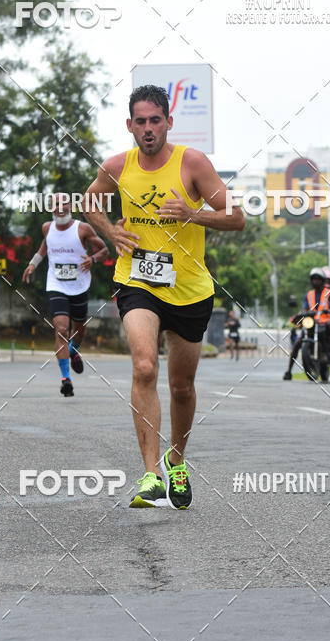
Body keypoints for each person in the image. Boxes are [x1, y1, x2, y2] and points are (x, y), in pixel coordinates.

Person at [82, 84, 245, 509]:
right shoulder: (117, 165)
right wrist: (109, 230)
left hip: (189, 288)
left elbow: (237, 218)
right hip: (137, 281)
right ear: (130, 125)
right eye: (141, 121)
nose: (149, 128)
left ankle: (176, 462)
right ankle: (151, 474)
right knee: (143, 366)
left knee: (183, 387)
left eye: (156, 120)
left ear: (169, 122)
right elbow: (90, 201)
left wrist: (193, 214)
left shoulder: (192, 163)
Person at [23, 196, 108, 397]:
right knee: (61, 329)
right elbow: (46, 246)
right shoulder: (47, 227)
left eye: (64, 205)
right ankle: (65, 379)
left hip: (79, 286)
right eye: (56, 205)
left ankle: (72, 351)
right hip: (56, 285)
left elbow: (104, 249)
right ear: (51, 208)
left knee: (80, 331)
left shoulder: (83, 229)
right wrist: (33, 263)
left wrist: (93, 259)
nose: (60, 209)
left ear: (70, 207)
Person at [303, 267, 330, 363]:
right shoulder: (309, 294)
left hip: (326, 320)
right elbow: (304, 308)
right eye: (314, 279)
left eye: (318, 279)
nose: (315, 282)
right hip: (313, 321)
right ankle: (289, 370)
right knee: (299, 338)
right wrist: (302, 313)